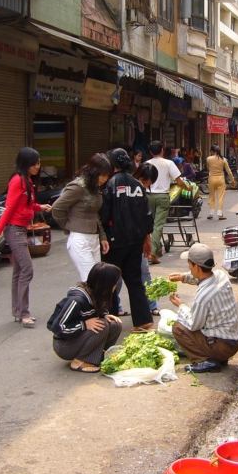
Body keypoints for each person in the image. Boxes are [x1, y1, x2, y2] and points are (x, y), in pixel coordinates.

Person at [0, 147, 52, 328]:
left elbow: (28, 205)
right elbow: (9, 208)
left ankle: (18, 311)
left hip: (21, 228)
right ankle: (24, 312)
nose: (38, 166)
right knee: (27, 270)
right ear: (27, 164)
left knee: (18, 271)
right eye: (36, 163)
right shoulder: (17, 181)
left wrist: (41, 207)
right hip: (14, 230)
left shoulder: (27, 182)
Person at [100, 148, 155, 332]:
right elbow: (147, 215)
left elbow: (104, 214)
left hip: (115, 242)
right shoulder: (138, 186)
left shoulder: (109, 185)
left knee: (111, 282)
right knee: (135, 280)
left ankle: (112, 321)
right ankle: (143, 321)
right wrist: (146, 238)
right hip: (135, 241)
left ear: (112, 164)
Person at [168, 243, 238, 373]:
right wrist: (183, 277)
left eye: (189, 264)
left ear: (196, 266)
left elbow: (194, 325)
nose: (189, 267)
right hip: (234, 340)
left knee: (178, 328)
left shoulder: (204, 296)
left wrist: (180, 305)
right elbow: (202, 277)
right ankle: (217, 355)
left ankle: (204, 361)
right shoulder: (221, 275)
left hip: (223, 345)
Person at [49, 262, 123, 373]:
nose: (116, 285)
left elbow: (98, 313)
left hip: (79, 339)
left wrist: (105, 315)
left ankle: (99, 356)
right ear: (106, 284)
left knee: (115, 324)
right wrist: (84, 325)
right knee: (102, 325)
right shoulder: (76, 300)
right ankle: (79, 361)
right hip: (64, 346)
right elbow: (58, 327)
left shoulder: (98, 294)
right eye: (114, 282)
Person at [51, 153, 112, 283]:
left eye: (107, 176)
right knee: (91, 281)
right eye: (103, 175)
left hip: (94, 238)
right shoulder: (78, 187)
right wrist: (69, 225)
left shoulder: (95, 187)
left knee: (98, 281)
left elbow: (95, 214)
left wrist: (102, 236)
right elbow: (57, 208)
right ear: (94, 172)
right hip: (80, 239)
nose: (105, 179)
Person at [146, 141, 187, 265]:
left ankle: (156, 250)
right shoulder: (168, 163)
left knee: (151, 224)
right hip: (162, 196)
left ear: (150, 152)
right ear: (162, 150)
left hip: (148, 196)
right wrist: (187, 188)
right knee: (158, 225)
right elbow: (179, 181)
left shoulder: (146, 163)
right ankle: (152, 253)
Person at [134, 162, 161, 316]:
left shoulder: (144, 194)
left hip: (137, 239)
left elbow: (146, 220)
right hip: (124, 240)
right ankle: (114, 306)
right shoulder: (130, 190)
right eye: (146, 182)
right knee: (116, 276)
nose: (146, 185)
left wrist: (147, 240)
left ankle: (152, 305)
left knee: (144, 272)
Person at [205, 145, 234, 221]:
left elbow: (208, 168)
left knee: (212, 196)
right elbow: (229, 171)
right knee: (221, 197)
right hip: (221, 179)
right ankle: (220, 213)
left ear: (212, 151)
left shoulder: (208, 159)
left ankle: (211, 213)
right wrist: (232, 180)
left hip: (211, 179)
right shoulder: (223, 159)